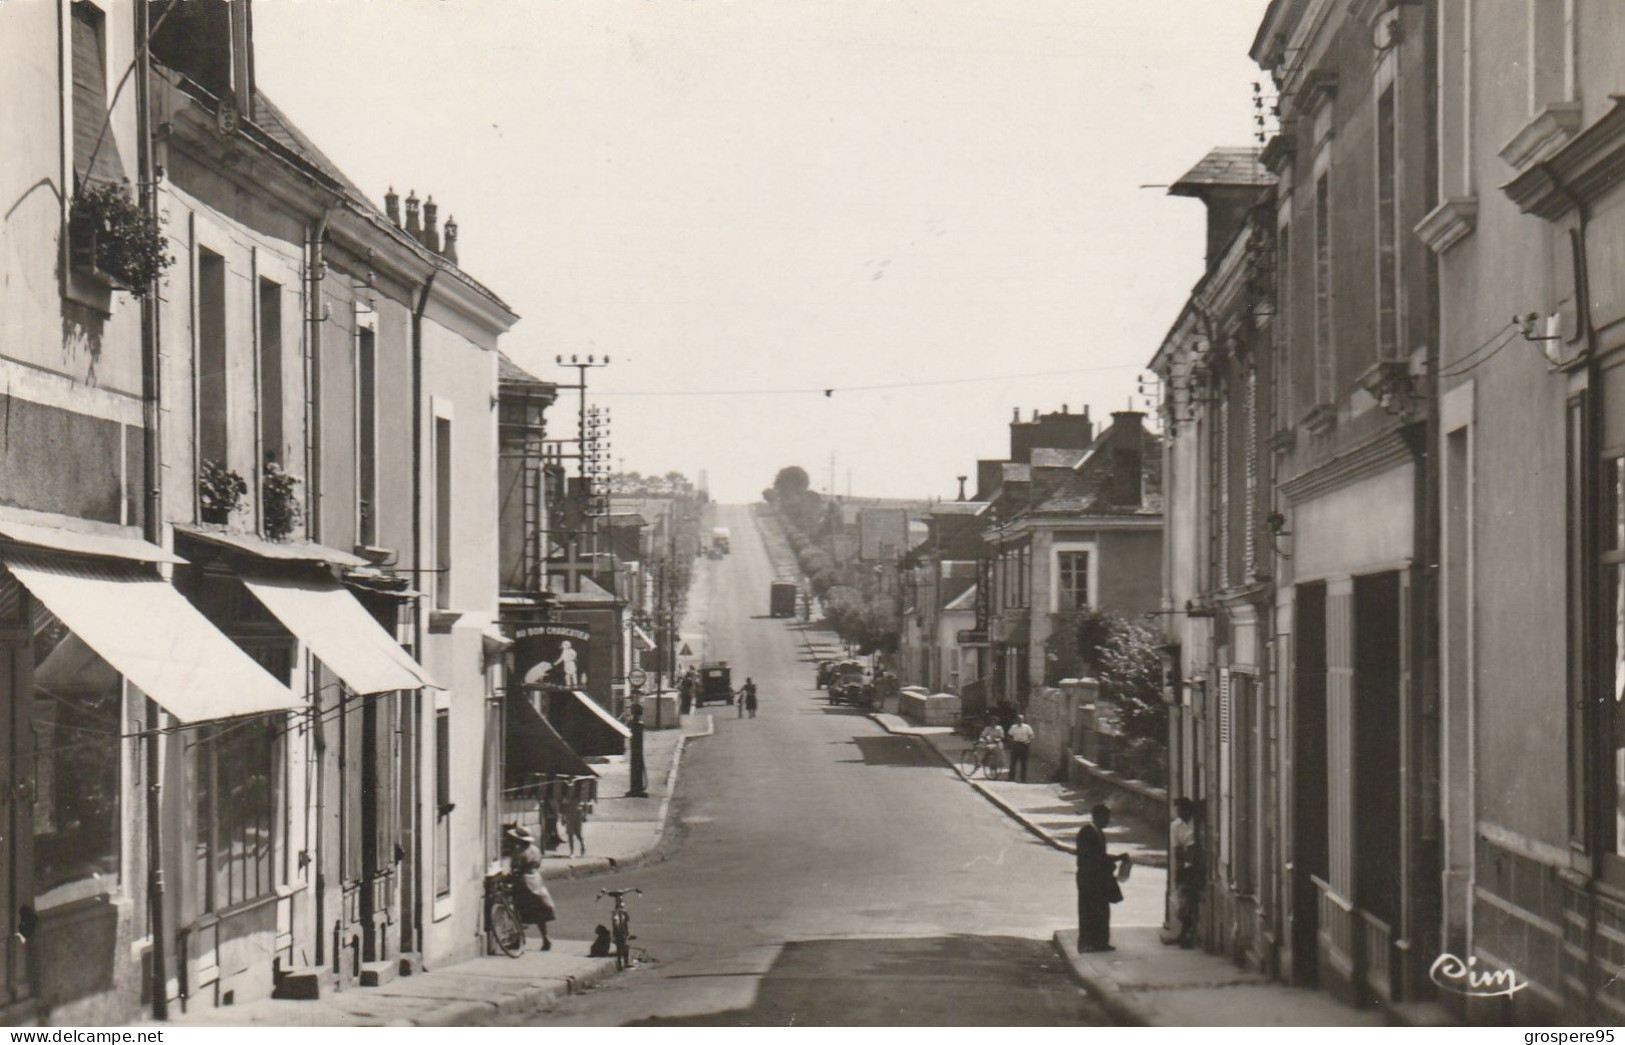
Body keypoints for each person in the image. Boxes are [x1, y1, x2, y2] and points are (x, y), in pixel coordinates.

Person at [1076, 804, 1127, 953]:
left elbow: (1101, 856)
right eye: (1106, 818)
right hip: (1088, 879)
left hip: (1099, 880)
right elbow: (1089, 858)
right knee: (1088, 911)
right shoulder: (1086, 832)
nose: (1108, 821)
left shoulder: (1099, 834)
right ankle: (1086, 943)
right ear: (1097, 817)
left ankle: (1100, 942)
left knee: (1101, 911)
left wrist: (1117, 858)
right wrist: (1110, 863)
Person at [504, 825, 556, 951]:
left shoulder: (519, 852)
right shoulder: (535, 850)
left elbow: (516, 869)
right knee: (539, 910)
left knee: (518, 909)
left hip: (523, 881)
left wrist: (507, 878)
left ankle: (518, 939)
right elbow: (538, 864)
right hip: (536, 879)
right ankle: (545, 937)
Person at [1169, 797, 1201, 948]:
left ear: (1188, 809)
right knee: (1184, 896)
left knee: (1189, 895)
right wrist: (1179, 869)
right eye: (1177, 809)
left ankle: (1185, 933)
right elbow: (1177, 849)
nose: (1180, 812)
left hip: (1200, 863)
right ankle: (1186, 932)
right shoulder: (1175, 826)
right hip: (1187, 863)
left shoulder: (1199, 822)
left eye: (1182, 809)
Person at [1006, 715, 1035, 782]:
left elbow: (1031, 735)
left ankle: (1023, 779)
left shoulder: (1027, 727)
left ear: (1023, 720)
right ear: (1016, 720)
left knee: (1023, 763)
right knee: (1013, 762)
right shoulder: (1013, 727)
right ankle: (1011, 777)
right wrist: (1011, 742)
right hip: (1015, 745)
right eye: (1018, 719)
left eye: (1021, 719)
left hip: (1024, 745)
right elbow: (1009, 735)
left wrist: (1028, 741)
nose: (1020, 721)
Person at [562, 785, 588, 857]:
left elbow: (585, 805)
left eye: (572, 789)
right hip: (569, 816)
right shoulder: (565, 797)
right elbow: (563, 809)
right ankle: (572, 852)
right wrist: (563, 818)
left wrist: (584, 815)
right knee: (570, 834)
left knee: (578, 834)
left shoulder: (579, 797)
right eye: (569, 789)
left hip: (577, 816)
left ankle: (582, 845)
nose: (570, 791)